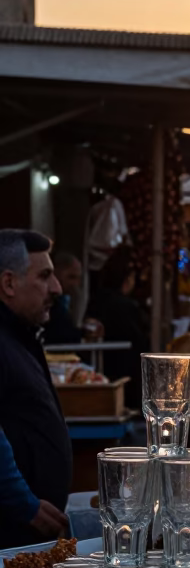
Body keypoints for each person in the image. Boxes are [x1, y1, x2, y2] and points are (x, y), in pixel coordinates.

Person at [0, 229, 72, 543]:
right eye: (44, 276)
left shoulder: (18, 336)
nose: (56, 288)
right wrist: (22, 502)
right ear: (8, 283)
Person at [85, 247, 150, 407]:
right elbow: (139, 341)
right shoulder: (126, 306)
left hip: (101, 372)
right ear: (127, 279)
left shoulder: (96, 301)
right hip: (125, 376)